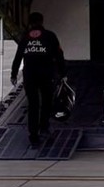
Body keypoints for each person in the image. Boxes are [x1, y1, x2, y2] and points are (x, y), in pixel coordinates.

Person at [10, 11, 66, 148]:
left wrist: (14, 74)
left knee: (33, 104)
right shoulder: (50, 36)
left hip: (30, 75)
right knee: (47, 101)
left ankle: (33, 135)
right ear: (42, 21)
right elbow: (59, 55)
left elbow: (18, 57)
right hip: (46, 74)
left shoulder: (25, 37)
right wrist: (63, 73)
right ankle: (44, 126)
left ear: (30, 23)